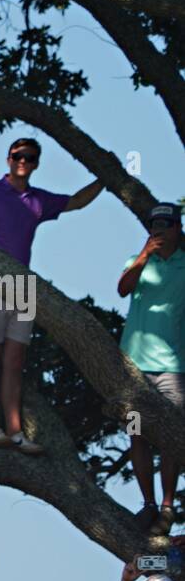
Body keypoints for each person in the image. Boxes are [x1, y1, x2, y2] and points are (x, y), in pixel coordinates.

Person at [0, 137, 103, 455]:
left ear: (37, 163)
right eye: (17, 156)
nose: (23, 161)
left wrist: (108, 175)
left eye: (29, 157)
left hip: (24, 286)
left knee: (14, 361)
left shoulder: (37, 200)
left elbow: (76, 202)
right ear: (8, 159)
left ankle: (14, 432)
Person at [117, 203, 185, 534]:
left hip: (174, 365)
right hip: (134, 365)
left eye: (164, 226)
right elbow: (123, 287)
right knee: (137, 433)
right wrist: (144, 255)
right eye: (153, 227)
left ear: (177, 228)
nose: (158, 232)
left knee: (171, 436)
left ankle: (169, 506)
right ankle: (148, 504)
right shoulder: (138, 261)